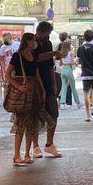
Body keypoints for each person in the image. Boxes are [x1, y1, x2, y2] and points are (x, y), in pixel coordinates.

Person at [3, 33, 52, 166]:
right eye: (34, 41)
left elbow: (36, 75)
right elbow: (7, 74)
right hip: (23, 93)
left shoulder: (34, 56)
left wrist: (42, 90)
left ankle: (27, 154)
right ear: (28, 42)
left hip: (33, 92)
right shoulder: (17, 56)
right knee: (21, 124)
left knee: (31, 124)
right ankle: (17, 155)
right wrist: (19, 87)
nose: (35, 43)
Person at [33, 21, 63, 159]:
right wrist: (54, 53)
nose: (48, 36)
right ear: (41, 32)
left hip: (47, 83)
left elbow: (50, 65)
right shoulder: (31, 42)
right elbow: (37, 59)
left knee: (53, 113)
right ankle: (35, 146)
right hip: (34, 83)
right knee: (34, 116)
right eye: (47, 33)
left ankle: (49, 144)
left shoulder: (48, 43)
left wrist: (53, 83)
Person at [77, 30, 93, 122]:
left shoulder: (80, 48)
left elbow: (78, 62)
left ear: (84, 37)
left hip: (85, 74)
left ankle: (87, 115)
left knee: (86, 93)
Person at [58, 34, 81, 110]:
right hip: (69, 70)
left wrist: (65, 63)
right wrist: (75, 61)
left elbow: (60, 63)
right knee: (73, 87)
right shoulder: (71, 52)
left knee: (64, 87)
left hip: (63, 70)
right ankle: (78, 102)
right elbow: (72, 63)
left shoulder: (62, 53)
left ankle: (62, 104)